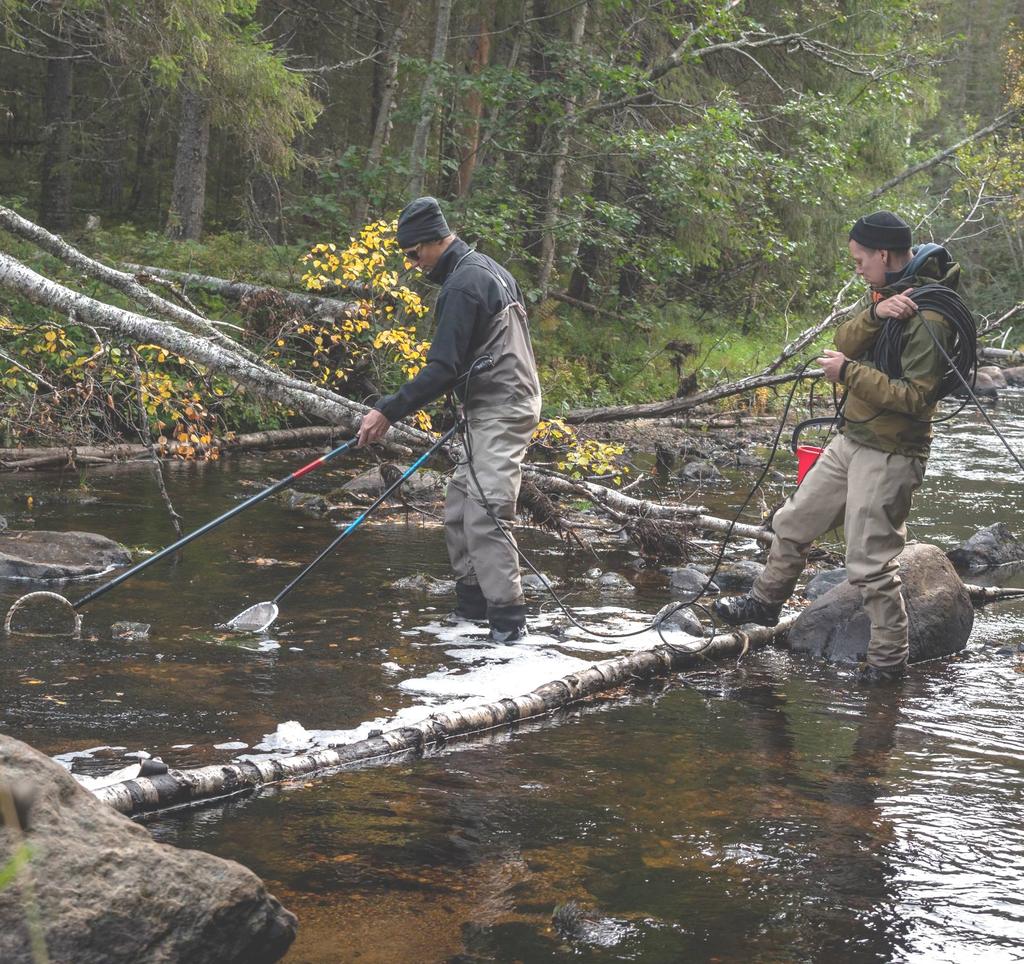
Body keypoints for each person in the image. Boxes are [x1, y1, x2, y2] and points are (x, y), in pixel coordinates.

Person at [714, 211, 963, 683]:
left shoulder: (930, 314)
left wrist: (848, 373)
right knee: (792, 522)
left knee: (869, 565)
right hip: (853, 439)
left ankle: (888, 664)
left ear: (883, 255)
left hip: (892, 452)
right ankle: (764, 604)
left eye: (859, 259)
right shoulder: (887, 296)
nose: (856, 267)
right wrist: (874, 314)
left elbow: (915, 397)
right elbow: (843, 340)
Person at [357, 197, 542, 642]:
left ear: (434, 240)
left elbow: (442, 368)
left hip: (503, 407)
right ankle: (471, 611)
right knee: (459, 507)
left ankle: (508, 630)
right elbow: (471, 358)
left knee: (487, 513)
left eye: (413, 252)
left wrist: (386, 410)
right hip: (490, 405)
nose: (412, 263)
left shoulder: (463, 285)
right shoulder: (485, 269)